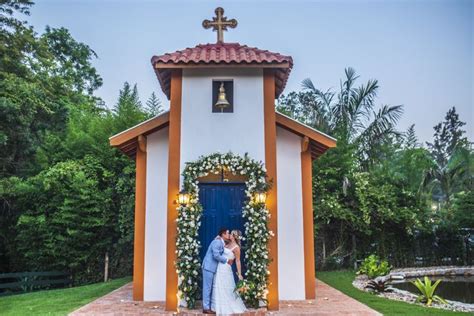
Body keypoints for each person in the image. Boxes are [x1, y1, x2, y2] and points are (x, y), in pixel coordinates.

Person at [211, 229, 247, 315]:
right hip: (219, 267)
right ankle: (217, 307)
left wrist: (239, 274)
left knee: (226, 286)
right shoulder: (226, 243)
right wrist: (217, 238)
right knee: (218, 285)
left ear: (234, 236)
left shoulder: (236, 247)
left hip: (226, 269)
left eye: (231, 234)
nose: (229, 234)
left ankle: (226, 306)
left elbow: (238, 261)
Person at [202, 228, 233, 314]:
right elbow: (216, 255)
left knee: (209, 287)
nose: (228, 235)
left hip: (212, 268)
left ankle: (208, 306)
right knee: (207, 288)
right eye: (227, 233)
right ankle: (206, 308)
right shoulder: (217, 242)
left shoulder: (220, 241)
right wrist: (227, 260)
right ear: (223, 234)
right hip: (208, 267)